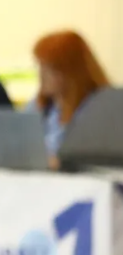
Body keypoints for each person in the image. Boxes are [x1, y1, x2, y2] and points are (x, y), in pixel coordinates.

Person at [27, 30, 109, 169]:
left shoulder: (98, 107)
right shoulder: (39, 104)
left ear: (71, 70)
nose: (41, 74)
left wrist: (60, 163)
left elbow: (96, 158)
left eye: (50, 68)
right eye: (40, 66)